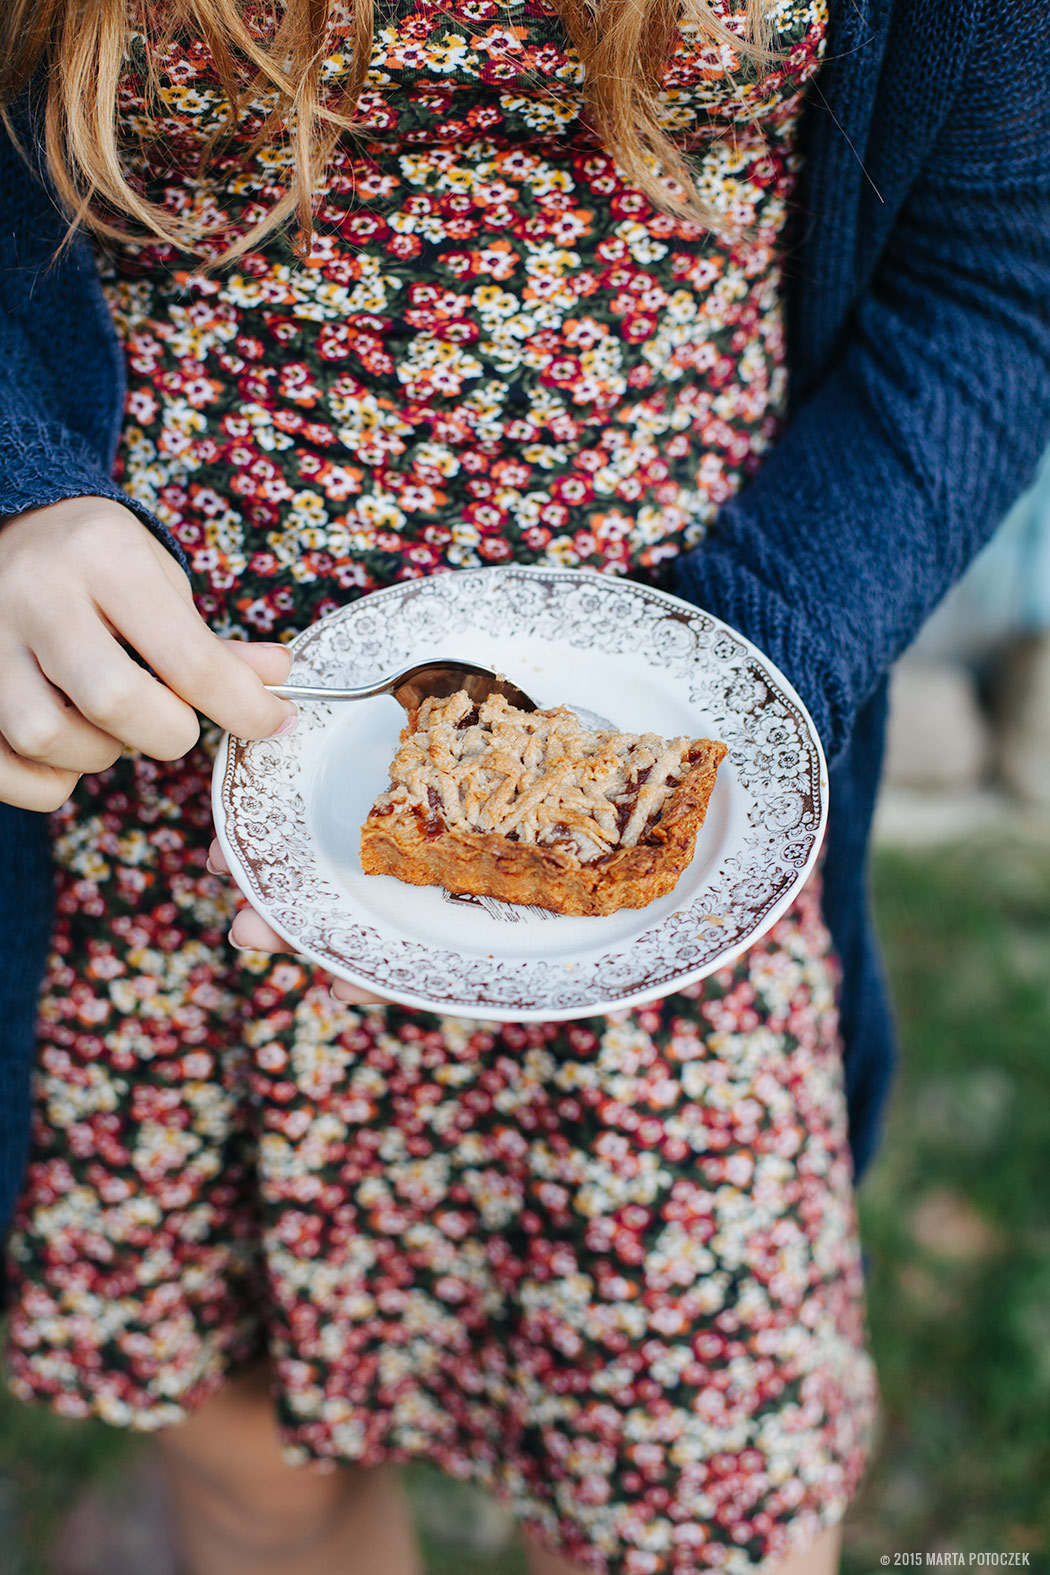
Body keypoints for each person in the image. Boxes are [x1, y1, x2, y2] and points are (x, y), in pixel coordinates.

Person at [0, 1, 1047, 1572]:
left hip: (674, 823)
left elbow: (999, 260)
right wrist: (16, 484)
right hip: (162, 771)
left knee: (701, 1511)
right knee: (249, 1479)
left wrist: (736, 678)